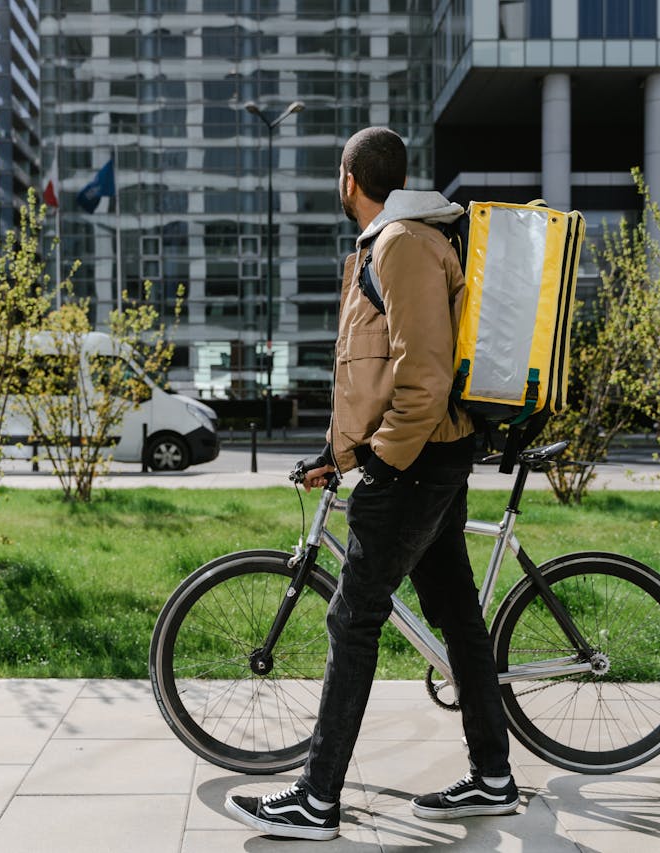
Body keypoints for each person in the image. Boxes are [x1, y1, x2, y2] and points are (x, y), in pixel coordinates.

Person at [225, 127, 517, 841]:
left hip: (416, 463)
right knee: (455, 613)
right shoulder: (391, 242)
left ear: (348, 179)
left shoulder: (402, 245)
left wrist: (380, 461)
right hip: (424, 456)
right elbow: (376, 373)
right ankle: (493, 776)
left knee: (352, 619)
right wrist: (341, 452)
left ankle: (316, 799)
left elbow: (423, 375)